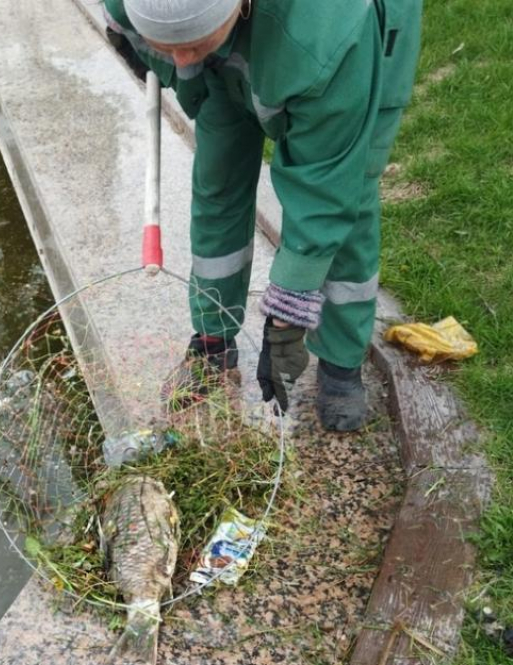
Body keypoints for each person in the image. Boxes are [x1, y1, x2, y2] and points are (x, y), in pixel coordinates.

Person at [103, 0, 422, 430]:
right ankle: (213, 341)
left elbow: (324, 195)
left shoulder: (325, 35)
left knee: (350, 201)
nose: (179, 61)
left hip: (350, 49)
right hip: (228, 58)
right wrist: (152, 48)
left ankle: (341, 362)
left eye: (192, 44)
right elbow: (138, 28)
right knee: (218, 181)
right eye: (168, 46)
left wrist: (287, 313)